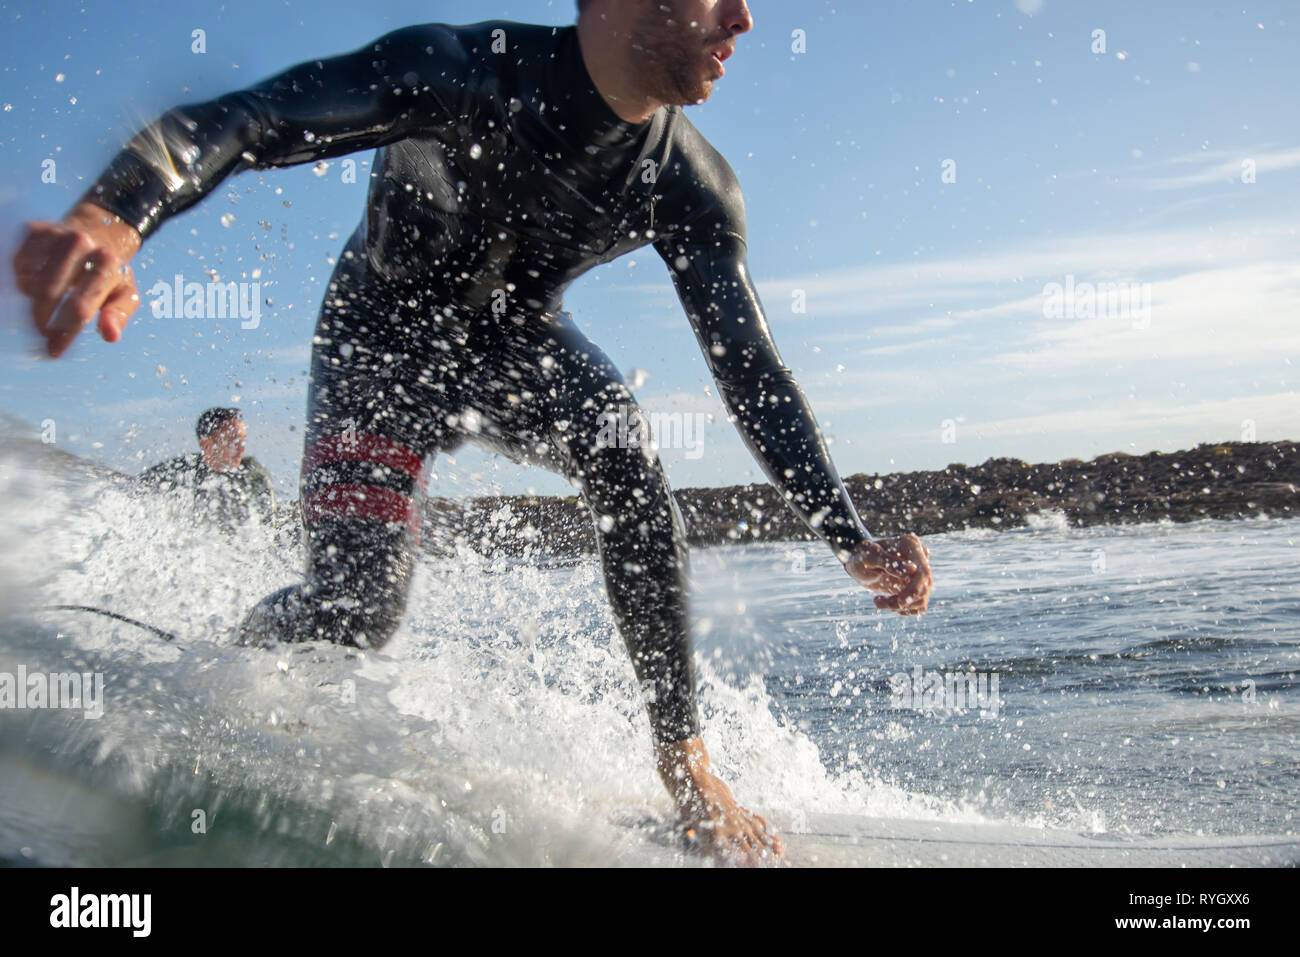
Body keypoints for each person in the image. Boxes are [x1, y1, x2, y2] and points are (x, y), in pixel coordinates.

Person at [12, 0, 933, 864]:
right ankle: (225, 673)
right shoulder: (464, 71)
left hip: (518, 346)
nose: (745, 17)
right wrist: (116, 215)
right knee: (356, 612)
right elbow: (255, 119)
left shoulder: (691, 182)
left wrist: (847, 535)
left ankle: (685, 761)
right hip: (381, 348)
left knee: (627, 457)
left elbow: (752, 370)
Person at [138, 407, 275, 528]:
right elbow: (135, 491)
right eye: (233, 439)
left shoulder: (254, 477)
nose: (241, 447)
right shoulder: (179, 473)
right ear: (207, 444)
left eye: (242, 439)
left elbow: (268, 532)